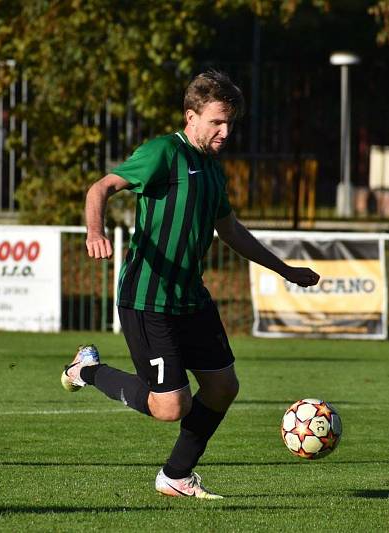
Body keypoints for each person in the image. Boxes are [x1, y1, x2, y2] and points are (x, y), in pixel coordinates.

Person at [61, 71, 320, 499]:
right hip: (148, 299)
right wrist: (95, 231)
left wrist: (285, 269)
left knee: (223, 387)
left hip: (190, 299)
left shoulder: (214, 172)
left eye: (230, 123)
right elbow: (101, 187)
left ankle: (176, 475)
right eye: (217, 122)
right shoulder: (163, 152)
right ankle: (86, 370)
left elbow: (232, 231)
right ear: (191, 116)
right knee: (170, 407)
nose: (225, 131)